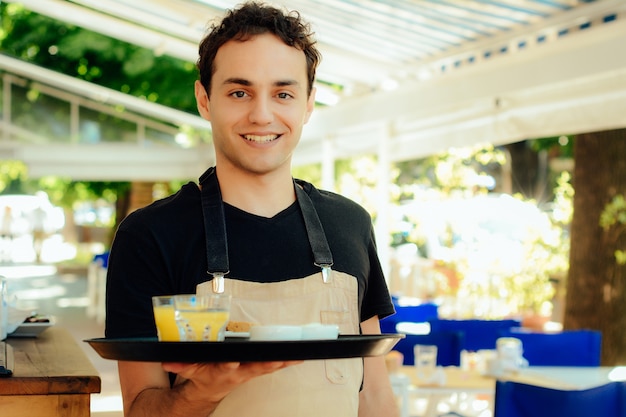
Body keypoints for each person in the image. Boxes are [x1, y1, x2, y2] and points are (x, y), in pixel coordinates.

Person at [105, 2, 398, 416]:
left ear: (309, 103)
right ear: (205, 100)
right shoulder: (150, 235)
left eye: (283, 93)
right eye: (239, 92)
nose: (262, 115)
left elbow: (375, 397)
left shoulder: (349, 224)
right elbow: (140, 409)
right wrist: (200, 392)